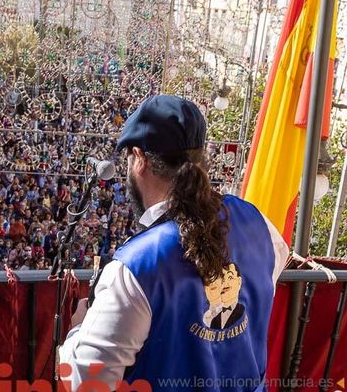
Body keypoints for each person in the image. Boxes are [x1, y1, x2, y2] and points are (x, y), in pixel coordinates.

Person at [59, 95, 288, 391]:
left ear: (139, 159)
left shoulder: (136, 267)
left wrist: (78, 328)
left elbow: (84, 383)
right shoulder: (260, 224)